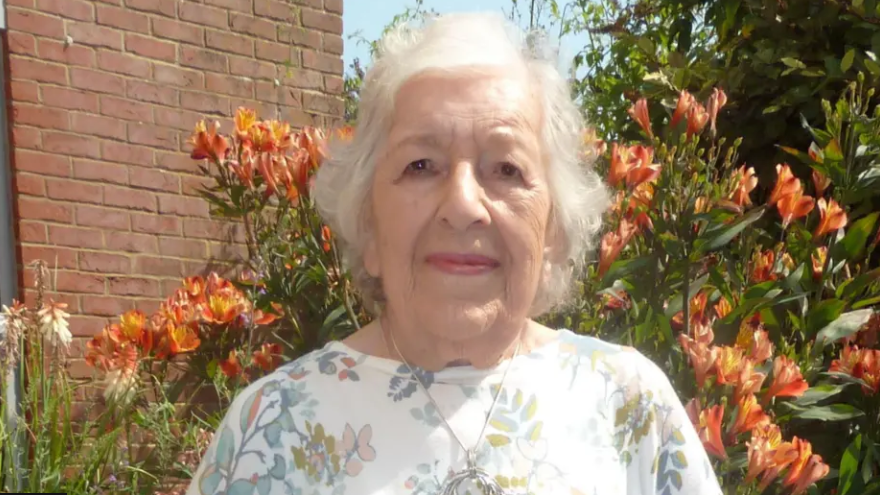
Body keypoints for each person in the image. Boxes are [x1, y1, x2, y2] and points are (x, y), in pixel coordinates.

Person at [186, 12, 722, 495]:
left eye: (507, 169)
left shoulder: (630, 406)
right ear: (368, 224)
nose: (463, 205)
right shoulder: (272, 427)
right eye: (421, 165)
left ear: (553, 227)